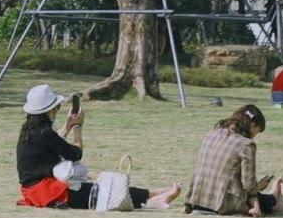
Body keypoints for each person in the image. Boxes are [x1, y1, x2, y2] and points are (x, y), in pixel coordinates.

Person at [14, 84, 177, 209]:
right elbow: (75, 154)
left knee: (97, 188)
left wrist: (68, 125)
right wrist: (78, 127)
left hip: (34, 190)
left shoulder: (31, 130)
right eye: (57, 107)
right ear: (50, 110)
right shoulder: (44, 133)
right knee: (102, 192)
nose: (58, 110)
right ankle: (152, 198)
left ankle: (151, 194)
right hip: (48, 191)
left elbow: (53, 142)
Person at [184, 103, 283, 216]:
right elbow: (248, 184)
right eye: (256, 132)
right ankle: (275, 200)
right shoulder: (246, 144)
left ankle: (274, 196)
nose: (254, 136)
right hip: (221, 203)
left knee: (246, 192)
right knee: (253, 197)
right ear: (252, 125)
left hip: (197, 198)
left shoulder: (212, 133)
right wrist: (256, 205)